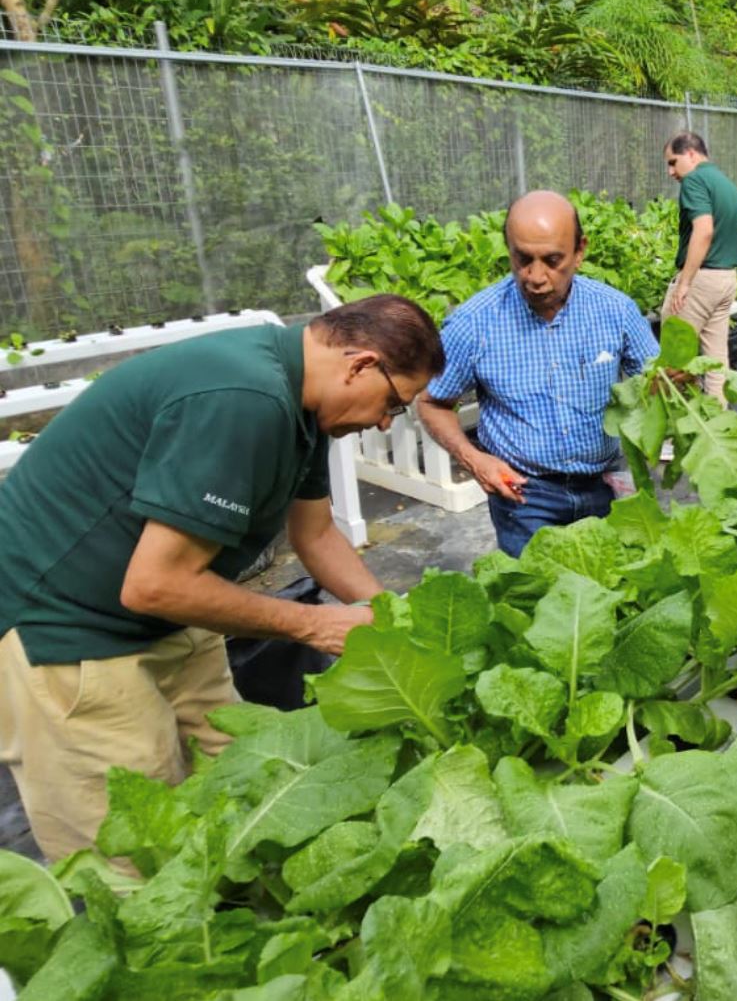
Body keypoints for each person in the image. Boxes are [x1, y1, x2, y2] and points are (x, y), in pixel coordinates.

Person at [0, 294, 445, 860]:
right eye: (392, 403)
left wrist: (391, 618)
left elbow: (316, 536)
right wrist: (314, 625)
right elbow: (153, 584)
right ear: (359, 365)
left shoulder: (308, 405)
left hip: (174, 609)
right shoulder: (244, 398)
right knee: (138, 848)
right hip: (70, 629)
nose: (384, 420)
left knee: (242, 773)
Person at [419, 191, 658, 556]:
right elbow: (433, 403)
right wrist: (474, 459)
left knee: (617, 597)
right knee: (534, 600)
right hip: (524, 496)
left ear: (580, 251)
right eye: (522, 259)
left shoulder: (616, 311)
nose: (535, 277)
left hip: (606, 484)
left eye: (552, 260)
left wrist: (674, 382)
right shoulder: (475, 322)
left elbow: (656, 382)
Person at [663, 131, 737, 401]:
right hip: (726, 279)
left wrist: (684, 283)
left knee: (674, 361)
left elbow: (704, 230)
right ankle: (717, 425)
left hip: (702, 279)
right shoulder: (727, 184)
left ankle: (677, 434)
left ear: (691, 154)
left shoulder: (694, 180)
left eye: (673, 162)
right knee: (716, 360)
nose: (670, 171)